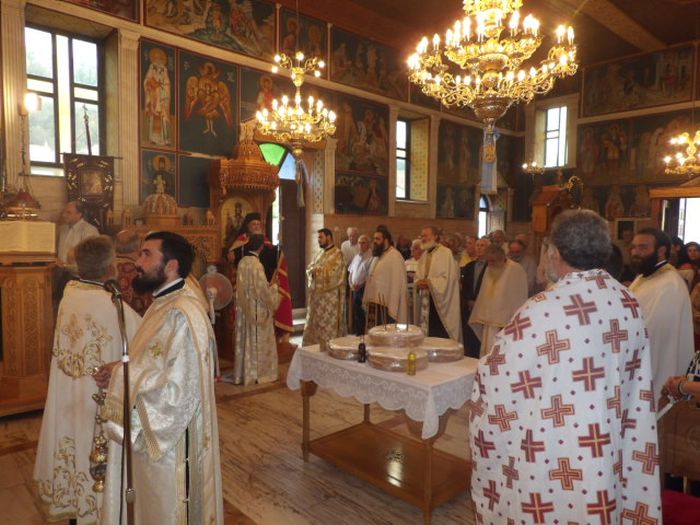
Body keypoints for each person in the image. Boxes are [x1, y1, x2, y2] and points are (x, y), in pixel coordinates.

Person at [469, 209, 661, 524]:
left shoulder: (541, 310)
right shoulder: (627, 302)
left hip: (557, 445)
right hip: (608, 438)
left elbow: (499, 379)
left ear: (556, 253)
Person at [96, 231, 223, 525]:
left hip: (172, 449)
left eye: (146, 254)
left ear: (171, 266)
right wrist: (121, 367)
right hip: (154, 441)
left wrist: (123, 376)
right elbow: (154, 361)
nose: (137, 262)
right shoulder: (162, 303)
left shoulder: (183, 314)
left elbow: (179, 392)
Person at [34, 236, 141, 525]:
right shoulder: (112, 306)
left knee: (73, 448)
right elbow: (145, 340)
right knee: (95, 456)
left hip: (68, 395)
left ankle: (72, 504)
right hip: (97, 397)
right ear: (110, 268)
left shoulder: (70, 294)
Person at [628, 227, 694, 401]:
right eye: (634, 247)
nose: (635, 252)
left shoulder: (670, 284)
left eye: (643, 247)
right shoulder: (643, 277)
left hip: (657, 364)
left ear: (661, 250)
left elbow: (655, 334)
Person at [228, 212, 293, 337]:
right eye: (254, 224)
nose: (257, 226)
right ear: (248, 226)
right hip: (246, 288)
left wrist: (279, 249)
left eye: (258, 224)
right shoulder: (241, 242)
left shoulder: (265, 242)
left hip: (263, 283)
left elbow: (273, 255)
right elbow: (232, 257)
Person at [234, 234, 281, 385]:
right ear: (261, 247)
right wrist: (274, 288)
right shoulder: (256, 265)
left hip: (244, 309)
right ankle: (260, 373)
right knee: (258, 339)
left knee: (246, 337)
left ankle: (244, 373)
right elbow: (262, 291)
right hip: (256, 309)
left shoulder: (242, 262)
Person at [469, 244, 528, 356]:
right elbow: (484, 292)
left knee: (502, 351)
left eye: (493, 261)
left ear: (502, 258)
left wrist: (512, 318)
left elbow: (519, 295)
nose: (490, 263)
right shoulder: (489, 268)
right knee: (487, 348)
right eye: (488, 261)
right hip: (489, 318)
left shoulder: (515, 269)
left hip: (506, 319)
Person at [415, 226, 462, 342]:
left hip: (441, 303)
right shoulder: (424, 255)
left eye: (426, 235)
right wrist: (418, 282)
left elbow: (449, 279)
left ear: (435, 236)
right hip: (426, 300)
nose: (423, 238)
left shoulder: (446, 253)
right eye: (422, 236)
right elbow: (418, 276)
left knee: (440, 335)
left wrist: (429, 283)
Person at [302, 228, 346, 345]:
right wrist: (312, 270)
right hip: (317, 299)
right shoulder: (320, 253)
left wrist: (317, 270)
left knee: (327, 327)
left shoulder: (338, 254)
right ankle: (314, 344)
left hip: (330, 300)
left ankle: (329, 344)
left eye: (321, 237)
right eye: (318, 238)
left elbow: (335, 274)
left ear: (329, 237)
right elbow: (310, 267)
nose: (319, 240)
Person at [363, 225, 408, 326]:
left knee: (383, 331)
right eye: (374, 239)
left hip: (386, 305)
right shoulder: (377, 256)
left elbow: (397, 283)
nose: (374, 241)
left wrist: (393, 302)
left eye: (378, 239)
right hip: (373, 302)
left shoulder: (395, 256)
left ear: (386, 240)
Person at [461, 237, 490, 357]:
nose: (479, 248)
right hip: (469, 306)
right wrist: (469, 300)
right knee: (469, 336)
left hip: (483, 306)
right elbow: (465, 286)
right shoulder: (469, 266)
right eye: (477, 245)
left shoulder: (491, 266)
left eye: (482, 246)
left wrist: (478, 301)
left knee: (481, 337)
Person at [114, 229, 153, 316]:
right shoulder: (140, 273)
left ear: (115, 245)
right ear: (138, 247)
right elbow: (148, 307)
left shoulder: (105, 269)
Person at [348, 235, 372, 334]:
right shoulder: (356, 257)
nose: (361, 245)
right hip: (355, 289)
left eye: (363, 243)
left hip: (364, 289)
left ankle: (364, 334)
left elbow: (370, 275)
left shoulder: (372, 257)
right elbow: (351, 272)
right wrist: (351, 284)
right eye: (359, 243)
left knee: (364, 312)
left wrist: (361, 285)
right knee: (356, 312)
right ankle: (358, 334)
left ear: (368, 244)